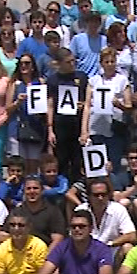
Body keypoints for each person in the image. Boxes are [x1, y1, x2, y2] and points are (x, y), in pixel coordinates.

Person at [86, 46, 133, 173]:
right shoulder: (93, 81)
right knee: (96, 166)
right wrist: (84, 131)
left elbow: (129, 106)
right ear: (101, 63)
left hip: (114, 128)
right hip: (96, 128)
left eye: (112, 61)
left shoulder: (122, 80)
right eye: (107, 62)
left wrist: (119, 105)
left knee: (113, 165)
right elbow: (87, 106)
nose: (110, 64)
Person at [46, 48, 89, 180]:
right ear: (60, 63)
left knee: (77, 163)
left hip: (76, 125)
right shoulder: (53, 80)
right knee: (61, 162)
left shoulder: (81, 77)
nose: (72, 64)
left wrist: (84, 131)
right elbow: (50, 105)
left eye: (73, 61)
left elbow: (87, 104)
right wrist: (50, 129)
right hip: (60, 125)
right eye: (68, 62)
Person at [77, 178, 137, 260]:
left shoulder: (118, 209)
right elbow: (74, 236)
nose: (100, 198)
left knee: (128, 248)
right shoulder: (80, 210)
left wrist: (110, 244)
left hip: (111, 253)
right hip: (87, 254)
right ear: (89, 196)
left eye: (103, 194)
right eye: (96, 195)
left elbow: (132, 235)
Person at [6, 54, 46, 174]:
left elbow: (46, 106)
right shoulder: (14, 84)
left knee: (33, 165)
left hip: (35, 128)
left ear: (33, 67)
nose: (24, 66)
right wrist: (18, 102)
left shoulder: (40, 82)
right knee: (19, 165)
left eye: (27, 63)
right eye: (21, 63)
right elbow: (8, 109)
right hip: (17, 128)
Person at [18, 176, 64, 247]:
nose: (32, 191)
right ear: (24, 191)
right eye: (28, 188)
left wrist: (44, 257)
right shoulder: (17, 211)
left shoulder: (53, 211)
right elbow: (3, 234)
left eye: (35, 188)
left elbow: (58, 239)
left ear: (42, 191)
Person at [68, 12, 107, 77]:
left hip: (98, 78)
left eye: (96, 22)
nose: (94, 24)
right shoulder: (77, 39)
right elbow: (71, 58)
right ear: (86, 22)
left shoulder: (104, 40)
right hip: (81, 76)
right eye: (91, 21)